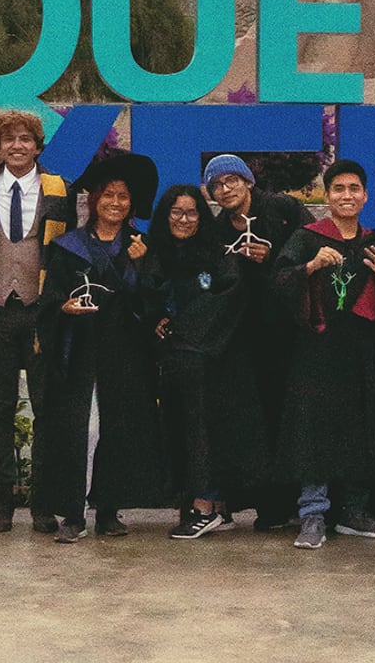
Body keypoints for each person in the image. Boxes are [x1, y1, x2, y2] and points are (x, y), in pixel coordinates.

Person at [271, 160, 375, 549]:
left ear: (365, 196)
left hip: (361, 351)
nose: (346, 196)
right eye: (338, 189)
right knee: (313, 427)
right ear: (326, 195)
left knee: (361, 426)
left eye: (354, 189)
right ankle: (312, 514)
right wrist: (311, 266)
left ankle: (355, 511)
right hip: (316, 350)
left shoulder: (374, 243)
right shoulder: (307, 238)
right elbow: (279, 283)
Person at [41, 153, 165, 543]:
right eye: (108, 195)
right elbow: (50, 299)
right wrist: (64, 307)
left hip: (125, 354)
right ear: (94, 200)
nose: (116, 202)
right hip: (80, 350)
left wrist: (142, 269)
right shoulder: (68, 246)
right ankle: (73, 514)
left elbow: (154, 303)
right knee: (81, 429)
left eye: (123, 197)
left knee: (118, 429)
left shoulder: (141, 246)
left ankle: (109, 509)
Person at [0, 110, 75, 533]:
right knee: (1, 410)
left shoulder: (58, 189)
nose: (17, 146)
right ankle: (3, 504)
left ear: (38, 144)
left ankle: (44, 505)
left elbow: (70, 252)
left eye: (25, 138)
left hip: (41, 313)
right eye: (9, 139)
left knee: (47, 410)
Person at [202, 154, 313, 530]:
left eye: (232, 180)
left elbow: (313, 247)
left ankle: (299, 503)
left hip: (291, 332)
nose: (225, 189)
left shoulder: (282, 208)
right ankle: (270, 507)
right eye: (216, 185)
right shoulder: (217, 229)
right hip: (246, 339)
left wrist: (272, 259)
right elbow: (210, 279)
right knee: (258, 420)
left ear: (248, 182)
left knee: (291, 416)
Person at [141, 184, 258, 539]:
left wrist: (185, 329)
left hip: (208, 361)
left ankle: (206, 505)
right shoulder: (153, 252)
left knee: (203, 430)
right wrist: (157, 318)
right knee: (182, 430)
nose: (184, 219)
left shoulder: (215, 254)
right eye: (176, 212)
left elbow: (227, 297)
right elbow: (146, 296)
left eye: (192, 212)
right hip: (173, 361)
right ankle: (204, 504)